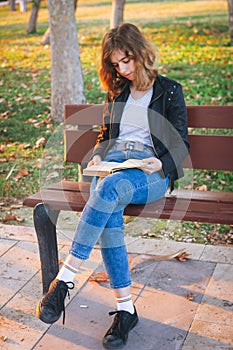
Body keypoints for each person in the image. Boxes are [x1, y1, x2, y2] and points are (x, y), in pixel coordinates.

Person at [36, 23, 189, 349]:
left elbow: (180, 145)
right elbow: (107, 138)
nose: (123, 69)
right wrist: (96, 159)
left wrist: (160, 161)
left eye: (127, 60)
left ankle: (63, 280)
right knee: (109, 210)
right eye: (116, 64)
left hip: (149, 171)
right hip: (113, 168)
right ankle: (125, 309)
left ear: (141, 54)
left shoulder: (170, 91)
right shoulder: (118, 91)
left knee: (109, 190)